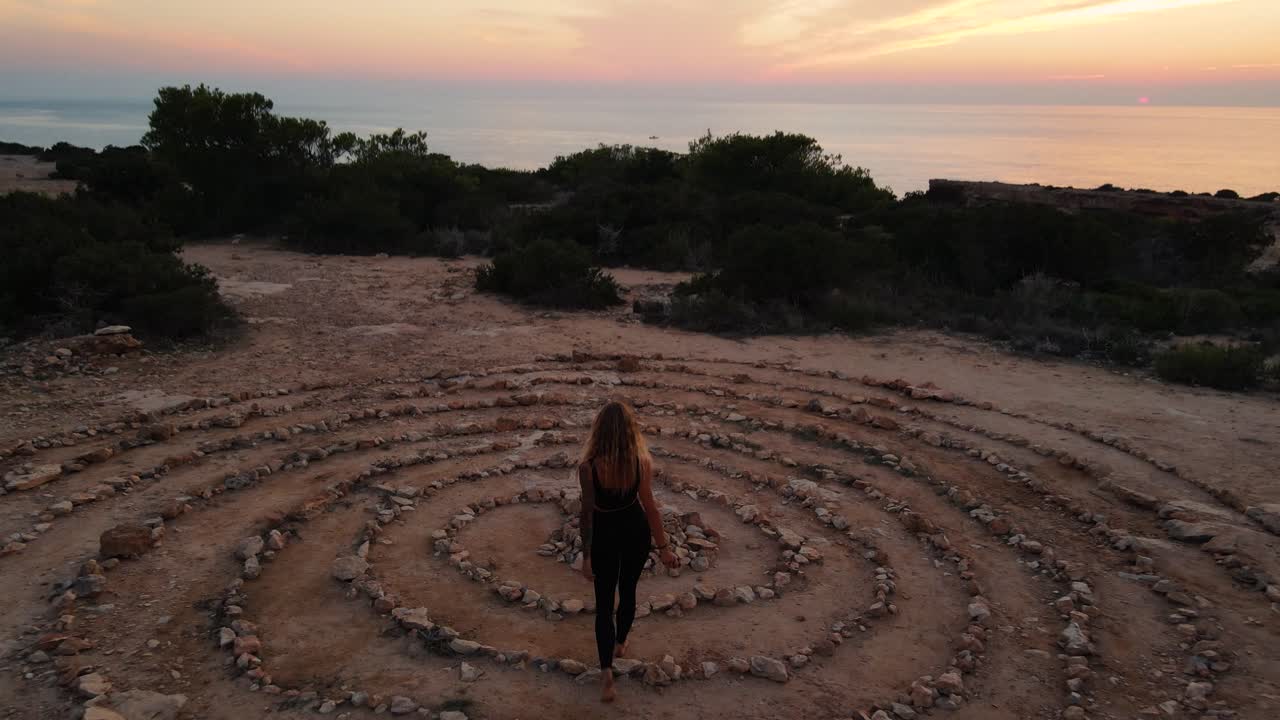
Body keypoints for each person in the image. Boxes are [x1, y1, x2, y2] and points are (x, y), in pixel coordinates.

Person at [578, 400, 679, 703]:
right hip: (636, 532)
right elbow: (650, 506)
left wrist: (586, 555)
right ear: (629, 430)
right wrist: (664, 548)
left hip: (605, 537)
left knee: (604, 602)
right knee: (629, 591)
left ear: (598, 430)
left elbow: (586, 513)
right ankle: (620, 642)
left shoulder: (588, 467)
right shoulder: (641, 462)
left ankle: (607, 675)